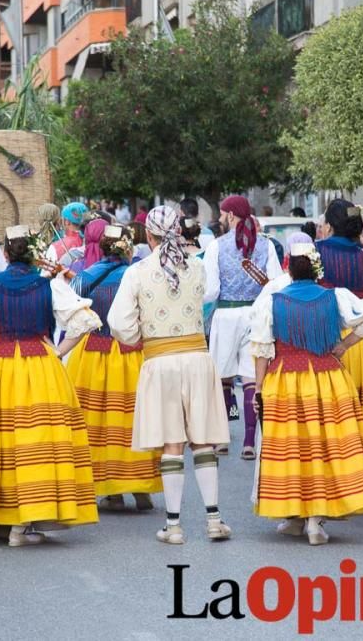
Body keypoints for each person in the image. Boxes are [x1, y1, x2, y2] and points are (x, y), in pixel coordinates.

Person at [0, 224, 101, 546]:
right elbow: (83, 321)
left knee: (1, 439)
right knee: (36, 439)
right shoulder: (49, 286)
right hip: (39, 365)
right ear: (32, 253)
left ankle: (3, 516)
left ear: (7, 252)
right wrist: (59, 350)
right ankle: (25, 520)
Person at [108, 205, 232, 545]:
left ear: (148, 235)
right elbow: (208, 297)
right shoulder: (196, 267)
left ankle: (174, 525)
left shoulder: (138, 271)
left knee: (172, 443)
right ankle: (213, 519)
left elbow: (119, 323)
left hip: (160, 360)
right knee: (203, 439)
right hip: (196, 356)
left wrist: (138, 337)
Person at [249, 240, 363, 545]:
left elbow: (260, 348)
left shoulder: (273, 301)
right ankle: (313, 521)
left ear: (289, 269)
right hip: (327, 378)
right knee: (323, 447)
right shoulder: (335, 297)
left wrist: (258, 388)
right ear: (317, 269)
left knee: (294, 449)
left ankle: (297, 516)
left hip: (285, 380)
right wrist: (345, 345)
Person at [67, 224, 162, 512]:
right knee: (133, 419)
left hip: (93, 352)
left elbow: (72, 299)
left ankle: (111, 489)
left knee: (98, 421)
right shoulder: (140, 273)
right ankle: (140, 486)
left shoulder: (87, 276)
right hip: (132, 353)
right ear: (128, 247)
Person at [203, 195, 283, 459]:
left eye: (223, 214)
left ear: (231, 216)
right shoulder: (266, 245)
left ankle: (223, 439)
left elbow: (212, 290)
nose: (221, 218)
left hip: (226, 314)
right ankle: (249, 442)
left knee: (223, 378)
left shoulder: (217, 246)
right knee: (251, 379)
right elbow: (274, 284)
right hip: (256, 314)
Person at [315, 200, 363, 429]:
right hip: (361, 341)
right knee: (361, 424)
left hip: (327, 338)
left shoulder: (316, 252)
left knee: (333, 420)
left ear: (330, 224)